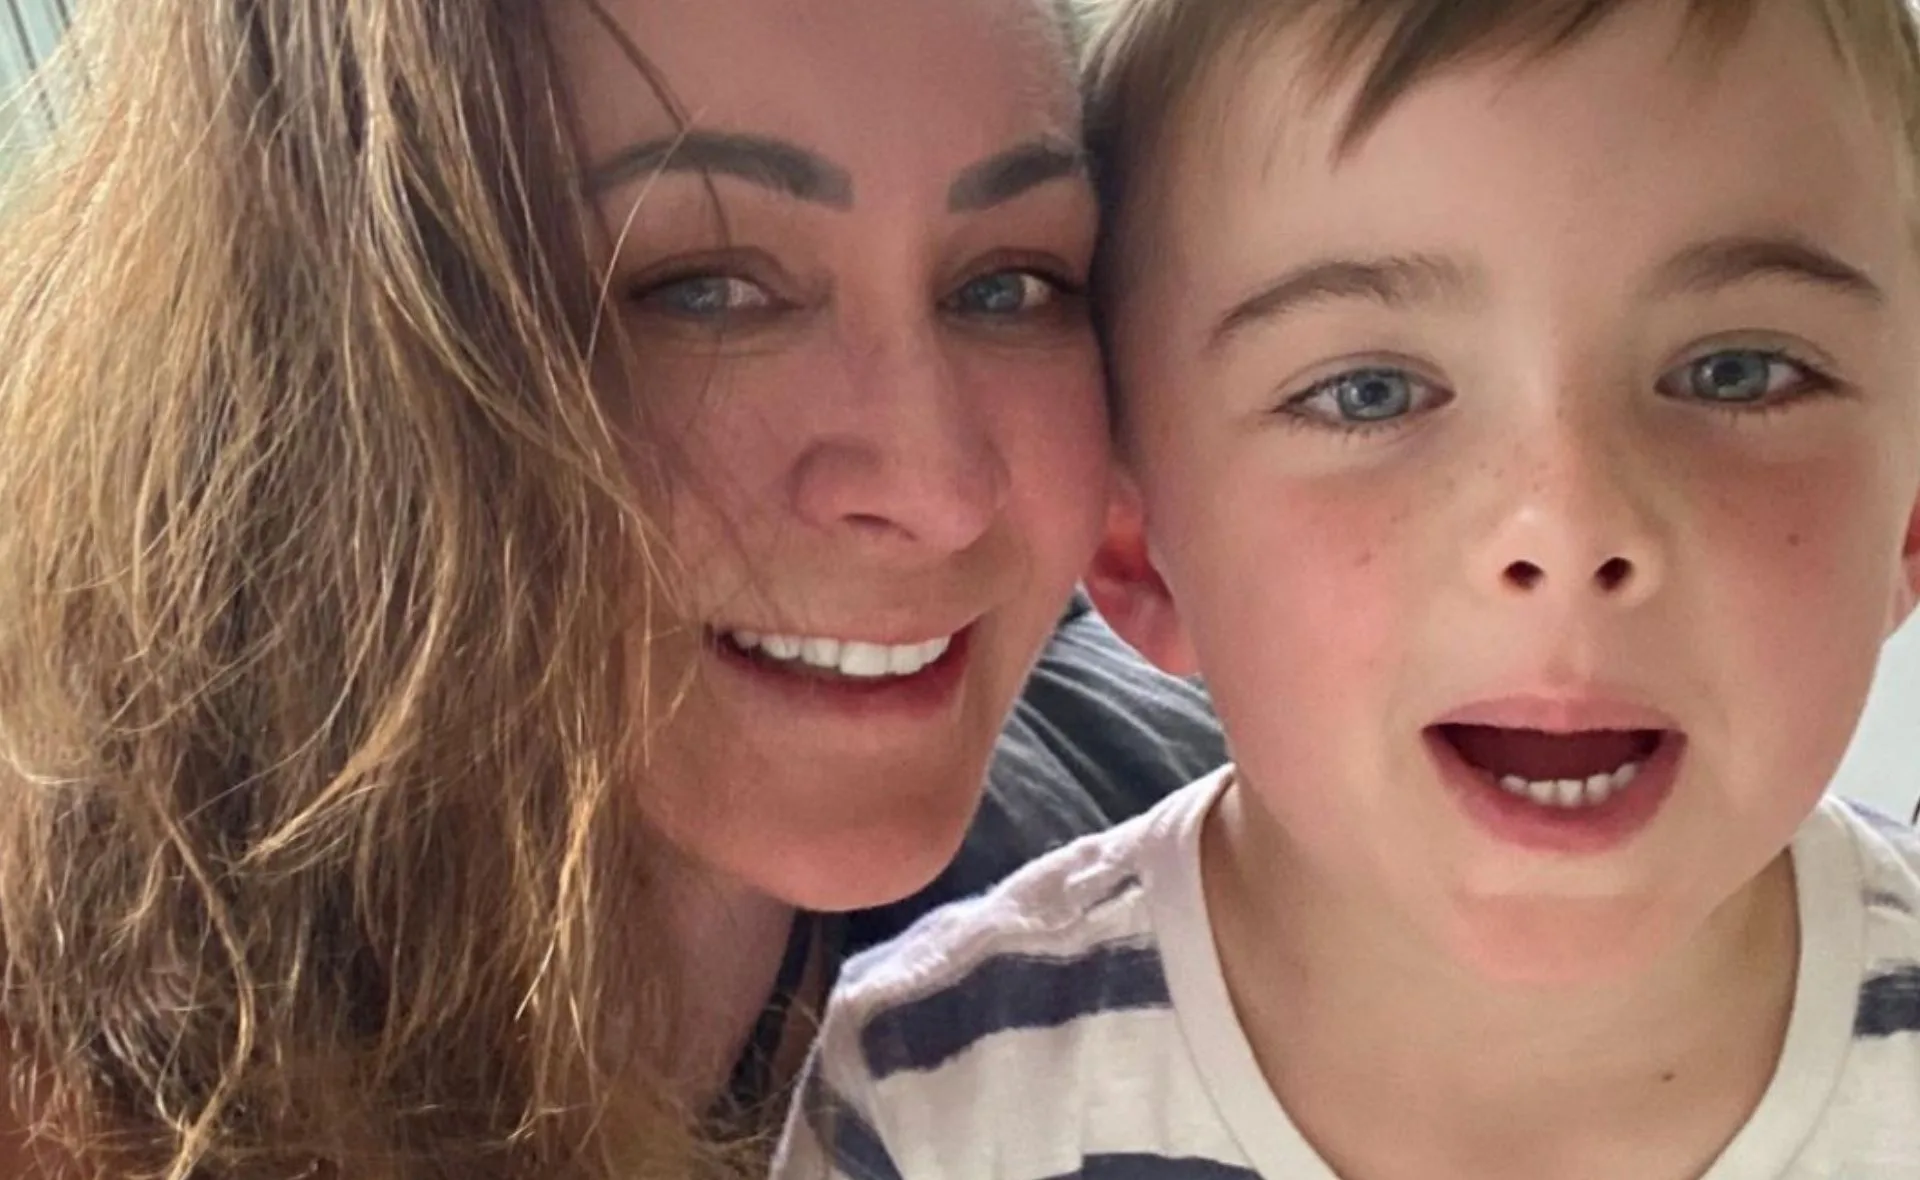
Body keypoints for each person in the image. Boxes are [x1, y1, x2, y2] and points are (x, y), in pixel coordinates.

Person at [0, 0, 1221, 1177]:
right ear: (311, 373)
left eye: (1007, 284)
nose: (940, 488)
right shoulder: (59, 1074)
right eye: (700, 290)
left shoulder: (1167, 931)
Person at [775, 0, 1920, 1176]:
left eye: (1739, 373)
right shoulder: (939, 1100)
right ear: (1133, 547)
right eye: (1367, 392)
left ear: (1910, 516)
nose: (1569, 527)